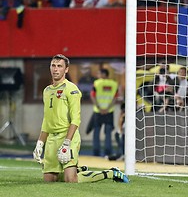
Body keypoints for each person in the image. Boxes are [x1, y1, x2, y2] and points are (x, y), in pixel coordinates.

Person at [32, 54, 128, 183]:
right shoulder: (47, 91)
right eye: (53, 66)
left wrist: (67, 142)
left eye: (59, 66)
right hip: (51, 139)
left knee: (71, 180)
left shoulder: (72, 89)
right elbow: (47, 119)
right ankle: (78, 170)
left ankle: (110, 173)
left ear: (66, 69)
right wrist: (40, 143)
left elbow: (76, 119)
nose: (55, 69)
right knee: (49, 180)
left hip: (67, 137)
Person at [90, 68, 119, 156]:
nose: (98, 75)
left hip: (98, 111)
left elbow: (92, 96)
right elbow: (115, 98)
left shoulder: (97, 83)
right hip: (109, 111)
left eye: (100, 73)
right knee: (108, 133)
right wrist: (107, 108)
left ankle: (96, 152)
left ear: (104, 74)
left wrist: (99, 107)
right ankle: (108, 152)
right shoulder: (114, 84)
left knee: (96, 132)